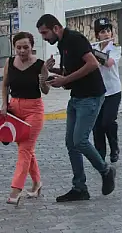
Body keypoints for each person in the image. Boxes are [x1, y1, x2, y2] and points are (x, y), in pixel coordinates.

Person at [36, 14, 116, 202]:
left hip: (91, 96)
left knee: (80, 140)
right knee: (71, 143)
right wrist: (52, 71)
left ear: (56, 28)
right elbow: (71, 71)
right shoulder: (62, 44)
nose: (44, 37)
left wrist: (65, 79)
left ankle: (106, 171)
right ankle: (79, 187)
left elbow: (93, 63)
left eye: (45, 32)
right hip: (77, 97)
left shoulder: (75, 39)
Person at [1, 32, 50, 205]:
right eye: (18, 48)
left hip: (34, 110)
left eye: (25, 47)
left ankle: (16, 189)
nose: (22, 51)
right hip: (15, 109)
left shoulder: (40, 64)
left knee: (24, 150)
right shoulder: (9, 62)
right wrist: (4, 105)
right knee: (26, 149)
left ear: (32, 47)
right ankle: (37, 183)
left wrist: (43, 80)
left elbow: (45, 90)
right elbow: (5, 84)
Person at [91, 18, 122, 164]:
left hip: (113, 91)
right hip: (97, 92)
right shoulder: (94, 48)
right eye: (103, 32)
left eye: (108, 31)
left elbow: (109, 63)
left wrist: (93, 53)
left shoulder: (115, 47)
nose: (107, 34)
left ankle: (114, 147)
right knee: (97, 125)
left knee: (108, 122)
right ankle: (100, 154)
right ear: (97, 35)